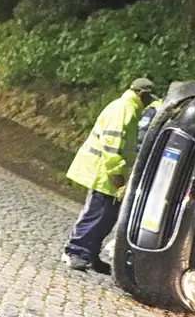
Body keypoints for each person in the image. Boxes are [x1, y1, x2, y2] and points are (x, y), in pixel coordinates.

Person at [62, 78, 157, 273]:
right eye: (148, 98)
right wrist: (117, 175)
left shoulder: (129, 109)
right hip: (104, 172)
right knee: (96, 214)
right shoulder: (124, 109)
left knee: (107, 217)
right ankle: (74, 252)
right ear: (141, 94)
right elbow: (111, 146)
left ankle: (89, 254)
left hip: (110, 173)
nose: (148, 103)